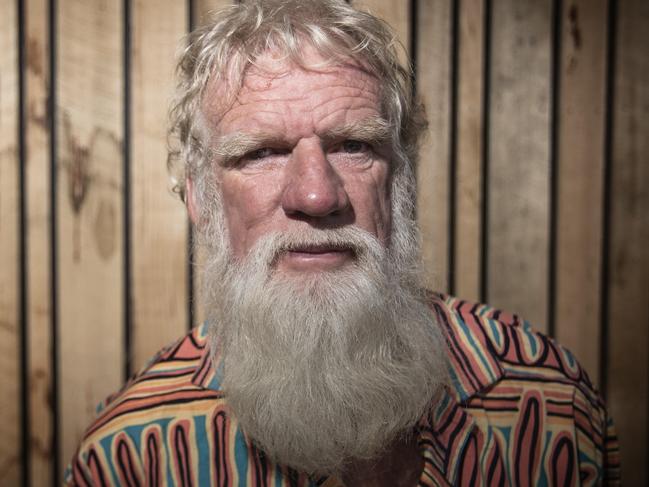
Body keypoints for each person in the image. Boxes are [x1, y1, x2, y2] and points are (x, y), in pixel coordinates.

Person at [65, 0, 620, 485]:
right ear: (201, 199)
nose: (316, 194)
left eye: (355, 144)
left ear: (400, 181)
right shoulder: (130, 455)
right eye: (260, 152)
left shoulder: (550, 405)